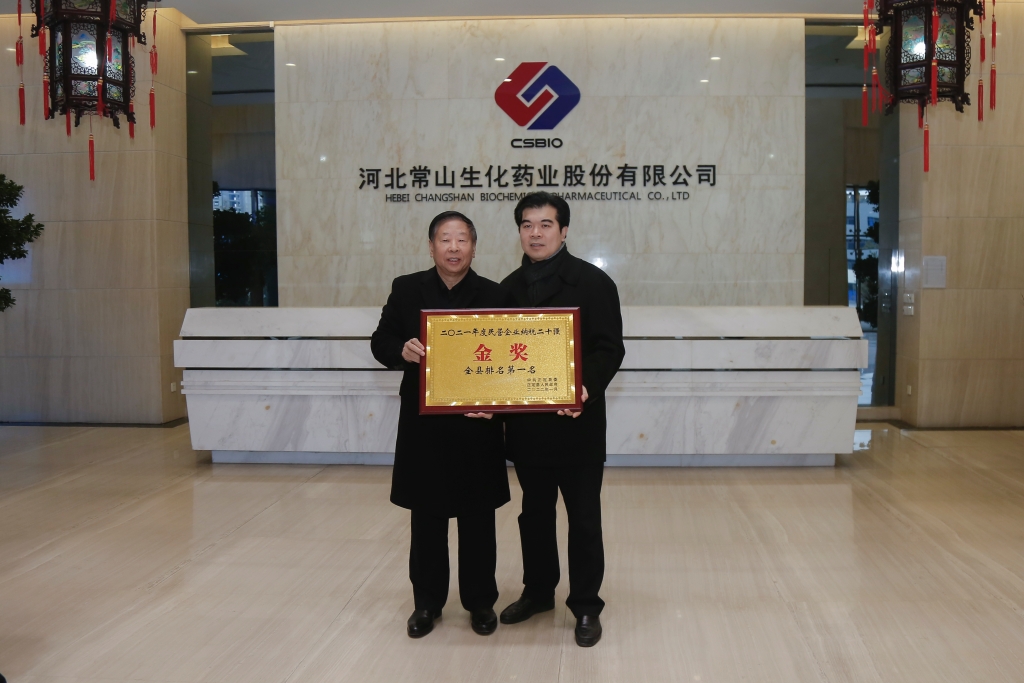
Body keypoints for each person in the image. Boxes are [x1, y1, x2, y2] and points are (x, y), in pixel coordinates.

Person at [370, 210, 514, 638]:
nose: (454, 247)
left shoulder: (496, 294)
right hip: (425, 426)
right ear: (431, 246)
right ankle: (426, 604)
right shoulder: (406, 288)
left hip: (476, 424)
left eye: (462, 239)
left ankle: (480, 602)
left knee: (478, 519)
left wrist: (499, 407)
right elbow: (380, 341)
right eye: (445, 239)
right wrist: (401, 350)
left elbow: (511, 360)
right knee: (427, 518)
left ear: (474, 247)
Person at [498, 192, 625, 647]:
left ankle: (586, 605)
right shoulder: (507, 288)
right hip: (528, 426)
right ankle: (538, 592)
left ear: (564, 230)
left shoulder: (593, 282)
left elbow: (609, 347)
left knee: (584, 517)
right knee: (534, 514)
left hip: (577, 423)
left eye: (545, 224)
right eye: (527, 225)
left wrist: (584, 388)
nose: (535, 233)